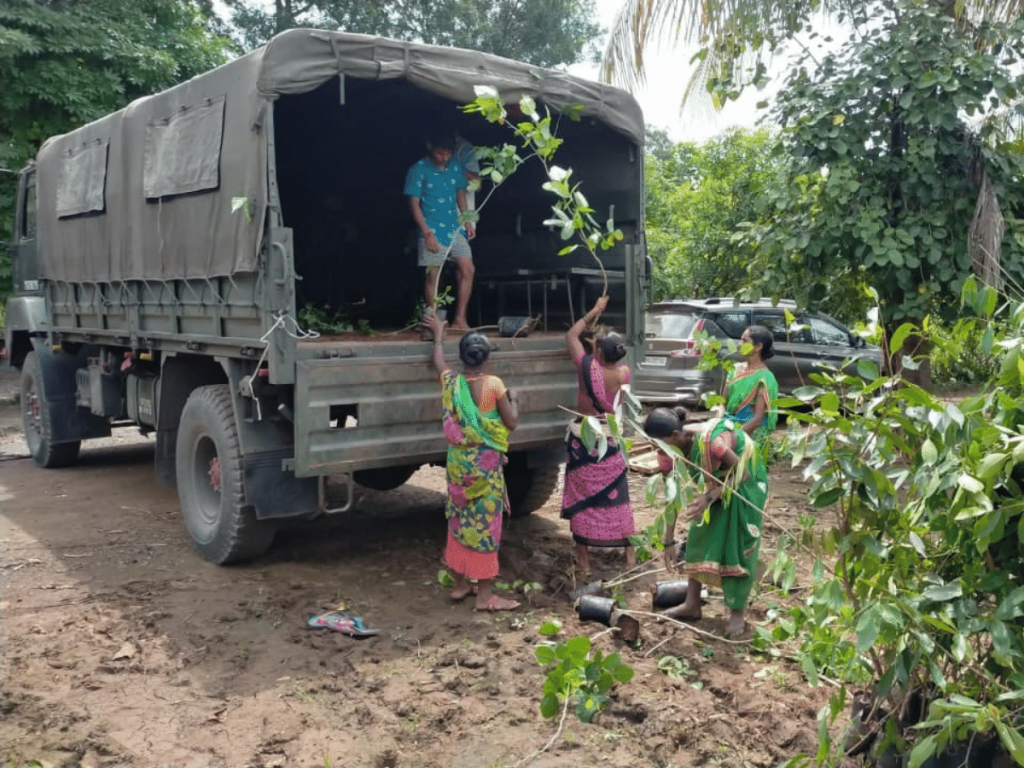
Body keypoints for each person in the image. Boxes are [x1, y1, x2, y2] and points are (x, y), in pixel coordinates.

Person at [424, 311, 520, 611]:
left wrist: (439, 332)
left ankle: (461, 584)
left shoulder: (451, 381)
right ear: (486, 356)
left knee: (459, 522)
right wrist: (516, 398)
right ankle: (484, 595)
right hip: (485, 468)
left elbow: (438, 361)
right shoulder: (494, 385)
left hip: (458, 467)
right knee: (485, 526)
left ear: (462, 356)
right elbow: (511, 422)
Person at [643, 407, 768, 638]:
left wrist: (709, 498)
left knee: (736, 544)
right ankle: (692, 604)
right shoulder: (670, 452)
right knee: (699, 533)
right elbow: (674, 494)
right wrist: (668, 541)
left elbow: (742, 474)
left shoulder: (713, 444)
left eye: (658, 443)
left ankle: (737, 612)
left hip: (746, 483)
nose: (655, 449)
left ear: (673, 436)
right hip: (717, 483)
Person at [560, 295, 636, 575]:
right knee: (618, 497)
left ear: (599, 354)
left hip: (587, 438)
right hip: (611, 439)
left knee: (582, 497)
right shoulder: (624, 373)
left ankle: (584, 562)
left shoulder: (587, 369)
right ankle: (630, 556)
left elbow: (572, 334)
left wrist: (594, 310)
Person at [405, 131, 476, 330]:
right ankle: (431, 322)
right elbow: (414, 204)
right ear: (430, 147)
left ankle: (460, 319)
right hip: (432, 229)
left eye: (447, 153)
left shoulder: (455, 166)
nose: (443, 157)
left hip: (454, 228)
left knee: (468, 269)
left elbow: (460, 193)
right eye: (439, 153)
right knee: (433, 275)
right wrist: (427, 233)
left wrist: (467, 221)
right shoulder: (418, 170)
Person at [722, 325, 779, 456]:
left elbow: (757, 419)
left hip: (748, 432)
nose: (739, 344)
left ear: (758, 347)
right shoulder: (734, 370)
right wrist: (716, 424)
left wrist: (734, 437)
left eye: (744, 341)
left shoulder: (765, 378)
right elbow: (722, 404)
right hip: (728, 425)